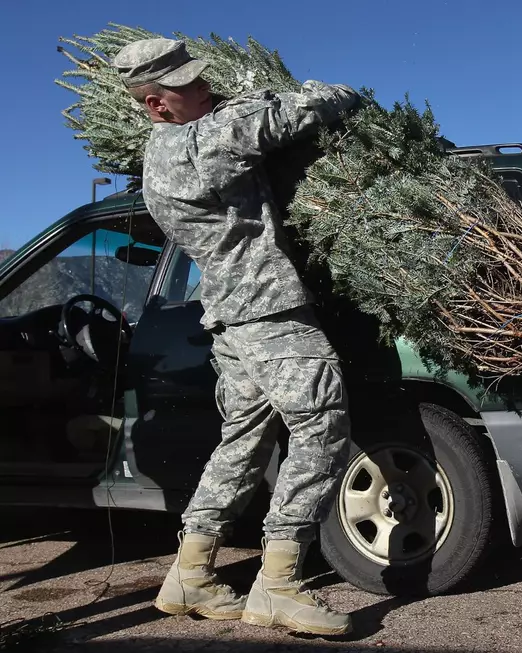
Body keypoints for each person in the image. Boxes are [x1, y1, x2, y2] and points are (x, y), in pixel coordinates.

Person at [112, 37, 362, 637]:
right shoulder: (209, 138)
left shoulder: (157, 155)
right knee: (322, 425)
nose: (206, 87)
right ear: (156, 104)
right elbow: (311, 107)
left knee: (243, 441)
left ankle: (190, 574)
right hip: (266, 308)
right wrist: (344, 92)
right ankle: (278, 584)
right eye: (189, 84)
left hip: (227, 311)